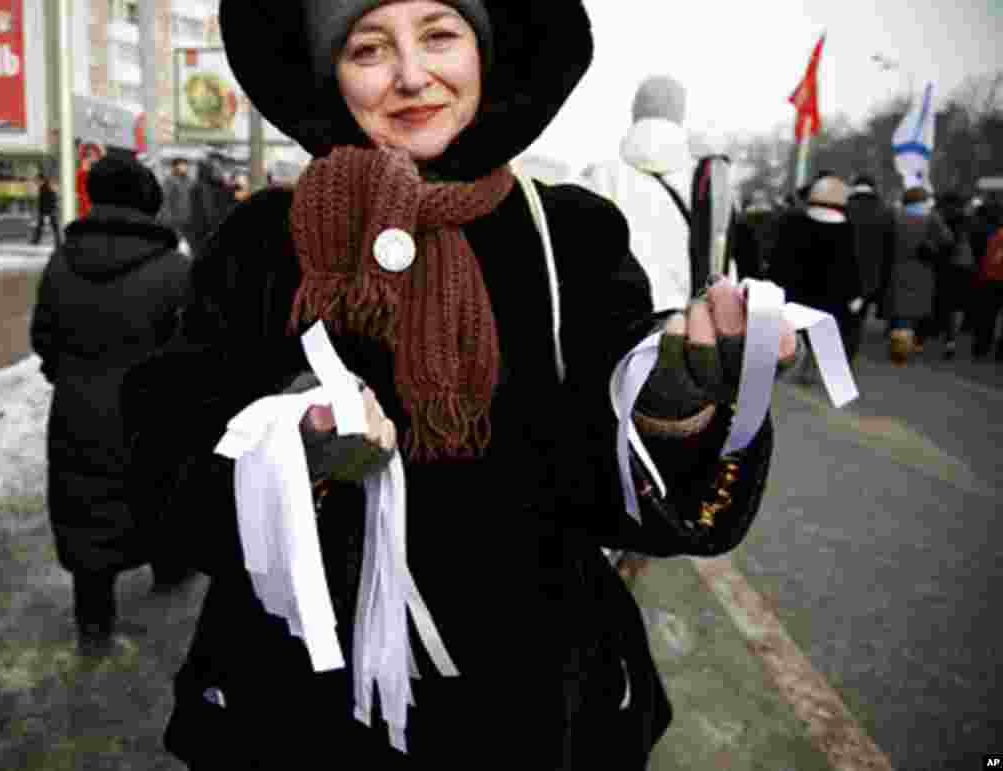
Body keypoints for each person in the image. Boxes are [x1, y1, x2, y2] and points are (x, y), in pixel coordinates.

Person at [121, 2, 799, 768]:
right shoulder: (259, 245)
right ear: (328, 76)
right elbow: (162, 483)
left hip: (529, 709)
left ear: (488, 49)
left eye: (440, 35)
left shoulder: (570, 237)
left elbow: (618, 495)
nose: (412, 75)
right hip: (303, 711)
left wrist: (675, 410)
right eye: (369, 48)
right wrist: (286, 456)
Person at [29, 153, 194, 656]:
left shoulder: (62, 262)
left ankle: (93, 621)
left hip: (78, 409)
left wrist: (72, 375)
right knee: (160, 490)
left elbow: (44, 337)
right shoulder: (176, 270)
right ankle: (169, 569)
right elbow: (190, 350)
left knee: (86, 508)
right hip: (154, 412)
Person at [574, 74, 695, 313]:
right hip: (686, 326)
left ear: (635, 112)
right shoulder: (702, 184)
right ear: (680, 114)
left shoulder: (599, 176)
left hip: (615, 323)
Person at [768, 175, 864, 374]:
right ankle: (821, 366)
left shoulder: (792, 223)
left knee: (796, 330)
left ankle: (795, 361)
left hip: (796, 291)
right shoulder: (848, 229)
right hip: (833, 294)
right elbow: (852, 265)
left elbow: (779, 259)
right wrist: (855, 293)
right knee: (828, 331)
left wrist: (775, 283)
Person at [882, 185, 954, 364]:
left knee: (901, 313)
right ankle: (910, 345)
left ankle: (900, 351)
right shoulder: (932, 217)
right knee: (916, 312)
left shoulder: (895, 216)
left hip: (898, 268)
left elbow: (885, 240)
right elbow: (947, 239)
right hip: (923, 270)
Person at [845, 175, 896, 348]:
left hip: (841, 269)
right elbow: (889, 248)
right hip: (870, 273)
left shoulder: (842, 207)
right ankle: (851, 346)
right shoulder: (884, 211)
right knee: (859, 315)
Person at [926, 191, 977, 360]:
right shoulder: (968, 220)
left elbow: (940, 243)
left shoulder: (941, 220)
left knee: (946, 304)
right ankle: (951, 338)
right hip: (964, 266)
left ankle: (947, 337)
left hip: (946, 267)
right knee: (958, 305)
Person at [970, 192, 1003, 360]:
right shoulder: (995, 234)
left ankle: (981, 347)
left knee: (986, 315)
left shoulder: (991, 234)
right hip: (995, 277)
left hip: (989, 278)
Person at [186, 154, 236, 259]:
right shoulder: (201, 188)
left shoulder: (223, 187)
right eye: (217, 168)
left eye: (221, 167)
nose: (221, 171)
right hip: (205, 236)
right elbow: (207, 214)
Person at [160, 157, 197, 250]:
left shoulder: (191, 182)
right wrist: (168, 218)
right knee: (176, 244)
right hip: (175, 221)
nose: (184, 167)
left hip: (189, 220)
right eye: (181, 165)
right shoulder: (170, 181)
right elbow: (165, 200)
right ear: (174, 167)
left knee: (189, 246)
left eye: (185, 165)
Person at [30, 173, 60, 248]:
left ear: (41, 180)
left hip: (48, 210)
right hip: (47, 210)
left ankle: (58, 241)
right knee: (43, 226)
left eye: (36, 180)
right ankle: (36, 240)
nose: (36, 183)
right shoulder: (44, 187)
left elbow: (49, 199)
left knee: (53, 226)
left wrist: (46, 211)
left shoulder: (45, 187)